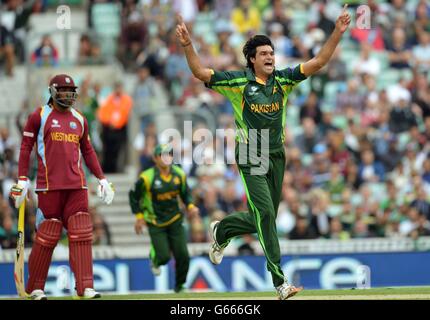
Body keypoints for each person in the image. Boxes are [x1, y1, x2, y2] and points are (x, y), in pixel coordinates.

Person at [175, 5, 351, 300]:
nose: (270, 57)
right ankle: (280, 283)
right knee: (266, 214)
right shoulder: (238, 82)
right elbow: (198, 72)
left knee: (263, 217)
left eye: (272, 53)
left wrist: (338, 31)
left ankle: (222, 231)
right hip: (251, 153)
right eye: (264, 54)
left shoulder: (283, 80)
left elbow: (319, 62)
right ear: (253, 60)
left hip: (277, 154)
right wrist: (187, 44)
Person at [9, 74, 115, 300]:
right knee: (47, 235)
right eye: (64, 90)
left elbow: (88, 151)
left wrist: (102, 178)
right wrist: (22, 180)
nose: (68, 94)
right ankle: (35, 287)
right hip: (48, 186)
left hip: (77, 185)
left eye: (71, 90)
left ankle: (85, 286)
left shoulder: (80, 118)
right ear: (53, 91)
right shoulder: (39, 116)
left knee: (81, 231)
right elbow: (26, 147)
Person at [129, 144, 200, 293]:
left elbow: (186, 194)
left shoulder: (179, 174)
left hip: (175, 219)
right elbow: (134, 197)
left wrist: (191, 206)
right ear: (155, 158)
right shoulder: (146, 177)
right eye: (163, 155)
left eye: (169, 154)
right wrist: (139, 217)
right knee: (164, 257)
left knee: (183, 255)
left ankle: (180, 286)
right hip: (155, 221)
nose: (167, 158)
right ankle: (154, 258)